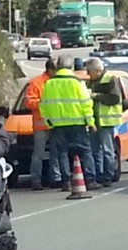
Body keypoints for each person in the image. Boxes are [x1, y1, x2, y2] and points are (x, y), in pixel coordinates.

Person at [39, 55, 100, 191]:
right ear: (71, 67)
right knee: (85, 152)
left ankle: (66, 182)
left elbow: (43, 106)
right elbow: (86, 104)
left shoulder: (49, 84)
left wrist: (49, 123)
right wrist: (91, 122)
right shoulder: (77, 83)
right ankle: (90, 180)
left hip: (57, 126)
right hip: (78, 124)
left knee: (62, 153)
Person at [25, 59, 66, 190]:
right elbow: (29, 102)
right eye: (55, 71)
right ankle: (36, 180)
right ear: (49, 70)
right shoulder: (35, 83)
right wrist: (44, 103)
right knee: (38, 154)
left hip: (55, 124)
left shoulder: (58, 82)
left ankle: (55, 178)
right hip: (41, 125)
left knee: (56, 152)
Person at [85, 58, 123, 187]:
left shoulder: (110, 79)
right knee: (95, 151)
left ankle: (108, 176)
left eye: (89, 71)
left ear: (97, 70)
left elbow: (115, 98)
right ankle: (99, 175)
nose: (87, 74)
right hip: (94, 121)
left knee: (107, 150)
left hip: (106, 121)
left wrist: (97, 96)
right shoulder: (92, 81)